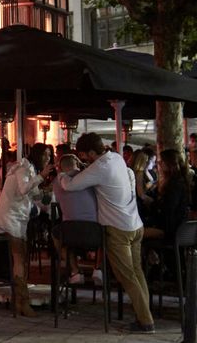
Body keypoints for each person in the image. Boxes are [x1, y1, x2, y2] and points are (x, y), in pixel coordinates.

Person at [60, 132, 155, 333]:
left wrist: (62, 176)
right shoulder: (117, 158)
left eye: (84, 155)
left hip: (118, 229)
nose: (84, 159)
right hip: (135, 225)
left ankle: (146, 322)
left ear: (92, 152)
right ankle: (145, 317)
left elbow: (70, 185)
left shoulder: (100, 167)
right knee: (136, 274)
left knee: (127, 276)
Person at [0, 142, 54, 317]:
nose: (48, 159)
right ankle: (22, 302)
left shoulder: (28, 170)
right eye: (45, 155)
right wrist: (41, 177)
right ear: (37, 155)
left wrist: (45, 191)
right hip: (9, 219)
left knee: (22, 258)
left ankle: (20, 301)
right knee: (19, 258)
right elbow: (24, 188)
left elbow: (32, 194)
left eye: (50, 156)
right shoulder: (23, 168)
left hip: (17, 219)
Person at [52, 154, 101, 285]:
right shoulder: (89, 177)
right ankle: (98, 268)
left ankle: (75, 271)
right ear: (77, 164)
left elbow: (50, 203)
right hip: (95, 233)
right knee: (108, 232)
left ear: (60, 168)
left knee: (58, 236)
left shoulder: (57, 182)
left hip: (70, 232)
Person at [143, 149, 189, 242]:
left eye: (161, 162)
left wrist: (151, 203)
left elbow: (168, 208)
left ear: (169, 164)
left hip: (170, 230)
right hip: (175, 228)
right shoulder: (178, 181)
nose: (158, 164)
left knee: (135, 235)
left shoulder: (175, 184)